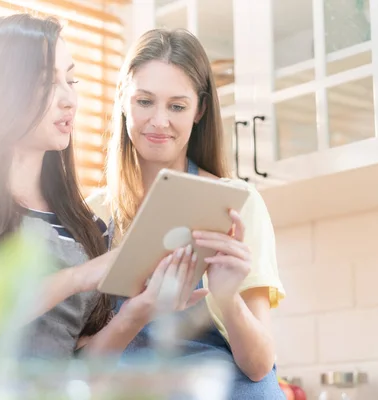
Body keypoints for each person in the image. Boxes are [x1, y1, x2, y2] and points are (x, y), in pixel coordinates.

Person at [0, 14, 203, 360]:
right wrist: (77, 277)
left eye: (71, 81)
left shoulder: (86, 226)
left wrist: (138, 312)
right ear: (0, 89)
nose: (70, 100)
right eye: (47, 83)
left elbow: (80, 370)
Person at [85, 28, 287, 398]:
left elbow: (259, 365)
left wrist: (227, 297)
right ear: (123, 101)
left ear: (200, 110)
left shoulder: (238, 202)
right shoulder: (92, 214)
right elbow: (81, 364)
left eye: (177, 106)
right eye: (145, 101)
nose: (159, 121)